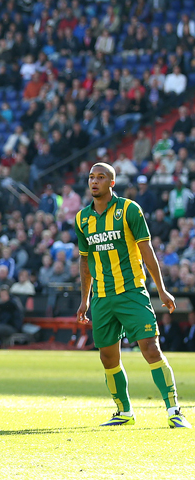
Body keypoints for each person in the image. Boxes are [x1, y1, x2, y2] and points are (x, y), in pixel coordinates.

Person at [75, 162, 190, 428]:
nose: (94, 181)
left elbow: (146, 249)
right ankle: (124, 412)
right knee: (107, 356)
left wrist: (160, 289)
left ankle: (174, 410)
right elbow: (84, 261)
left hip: (132, 292)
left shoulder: (129, 210)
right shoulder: (82, 219)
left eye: (101, 177)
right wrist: (85, 299)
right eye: (91, 177)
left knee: (150, 348)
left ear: (111, 182)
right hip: (102, 297)